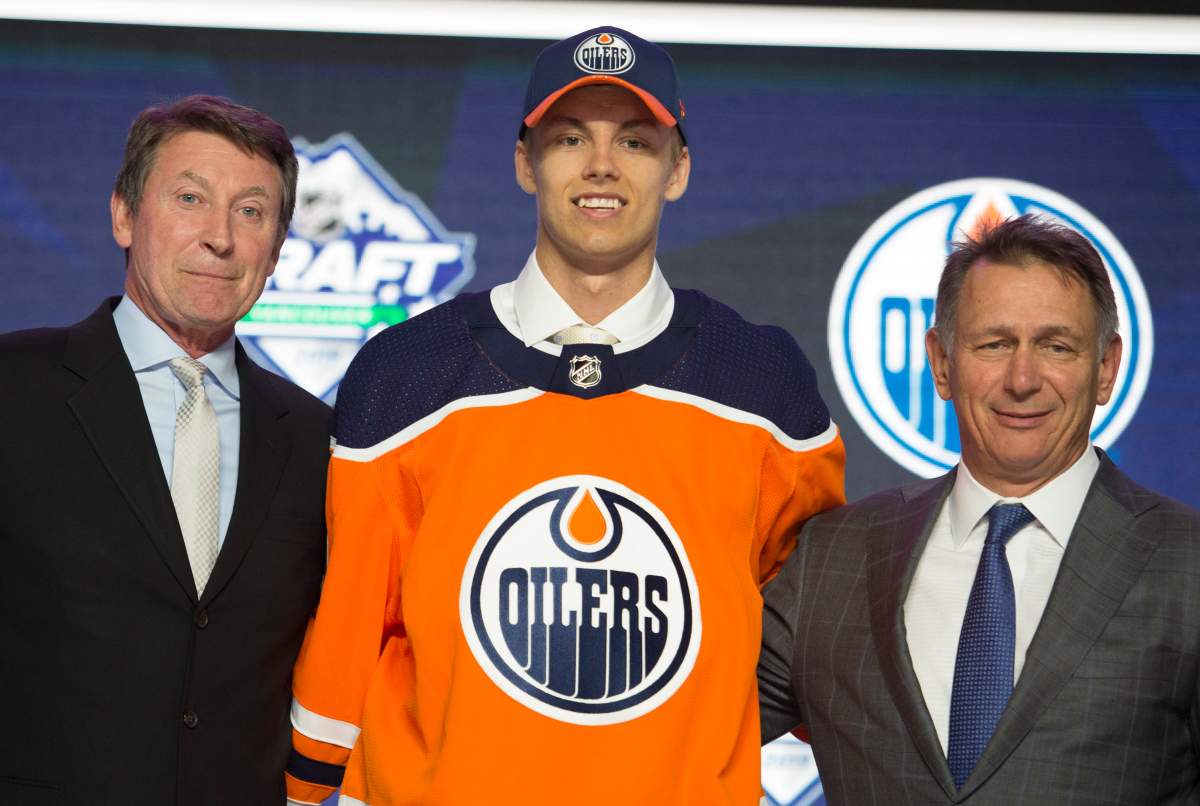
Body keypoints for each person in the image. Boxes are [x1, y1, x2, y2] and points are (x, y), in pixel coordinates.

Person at [285, 26, 844, 805]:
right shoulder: (404, 374)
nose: (601, 165)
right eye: (570, 137)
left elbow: (813, 650)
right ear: (526, 162)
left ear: (679, 169)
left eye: (636, 141)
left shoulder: (762, 383)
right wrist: (305, 787)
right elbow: (347, 635)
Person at [758, 213, 1200, 804]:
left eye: (1056, 346)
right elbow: (683, 719)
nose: (1023, 378)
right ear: (942, 362)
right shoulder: (833, 556)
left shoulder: (1186, 563)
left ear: (1106, 368)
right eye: (995, 344)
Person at [0, 95, 330, 805]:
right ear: (123, 215)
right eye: (190, 199)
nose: (220, 237)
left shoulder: (317, 440)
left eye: (251, 212)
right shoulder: (13, 388)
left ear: (276, 250)